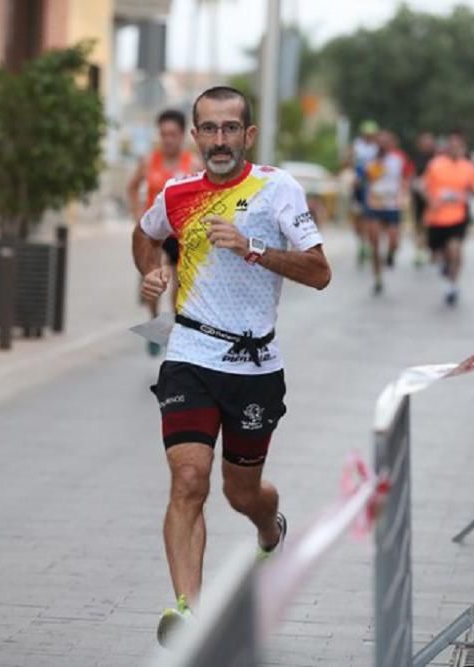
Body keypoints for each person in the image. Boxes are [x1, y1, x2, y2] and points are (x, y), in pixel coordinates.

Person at [132, 85, 331, 645]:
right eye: (209, 128)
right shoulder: (177, 192)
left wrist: (253, 249)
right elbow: (145, 236)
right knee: (188, 479)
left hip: (254, 365)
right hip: (190, 353)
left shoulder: (277, 190)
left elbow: (320, 272)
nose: (219, 140)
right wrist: (151, 273)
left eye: (229, 128)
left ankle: (270, 527)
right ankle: (188, 614)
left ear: (248, 135)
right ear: (194, 136)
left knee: (241, 493)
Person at [127, 109, 202, 357]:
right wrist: (138, 214)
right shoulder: (149, 161)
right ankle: (154, 319)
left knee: (178, 285)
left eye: (173, 134)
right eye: (164, 134)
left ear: (183, 136)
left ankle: (173, 329)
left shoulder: (192, 164)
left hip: (180, 235)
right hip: (154, 234)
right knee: (152, 282)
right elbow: (132, 186)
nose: (168, 139)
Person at [423, 130, 474, 306]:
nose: (455, 150)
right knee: (437, 253)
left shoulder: (469, 167)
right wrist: (431, 201)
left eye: (459, 147)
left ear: (463, 149)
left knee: (455, 249)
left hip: (458, 216)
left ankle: (452, 286)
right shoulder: (435, 165)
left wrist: (473, 192)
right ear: (447, 148)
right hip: (437, 218)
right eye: (452, 146)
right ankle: (445, 267)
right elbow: (423, 187)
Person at [363, 131, 407, 294]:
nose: (382, 145)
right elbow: (365, 179)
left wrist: (403, 194)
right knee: (374, 243)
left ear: (390, 144)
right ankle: (377, 278)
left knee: (394, 240)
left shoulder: (398, 160)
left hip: (392, 205)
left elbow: (403, 179)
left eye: (385, 142)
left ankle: (390, 254)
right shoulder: (370, 160)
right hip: (374, 204)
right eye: (379, 142)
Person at [349, 120, 379, 266]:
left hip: (370, 187)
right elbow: (349, 161)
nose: (369, 137)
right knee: (357, 216)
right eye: (367, 134)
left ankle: (366, 243)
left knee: (368, 217)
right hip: (357, 186)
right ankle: (360, 242)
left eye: (371, 134)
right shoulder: (357, 145)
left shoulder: (377, 148)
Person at [411, 132, 436, 267]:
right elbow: (413, 177)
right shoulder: (417, 159)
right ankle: (420, 251)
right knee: (420, 224)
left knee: (433, 225)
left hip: (435, 198)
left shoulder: (437, 158)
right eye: (424, 143)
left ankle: (432, 249)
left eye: (429, 143)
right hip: (420, 197)